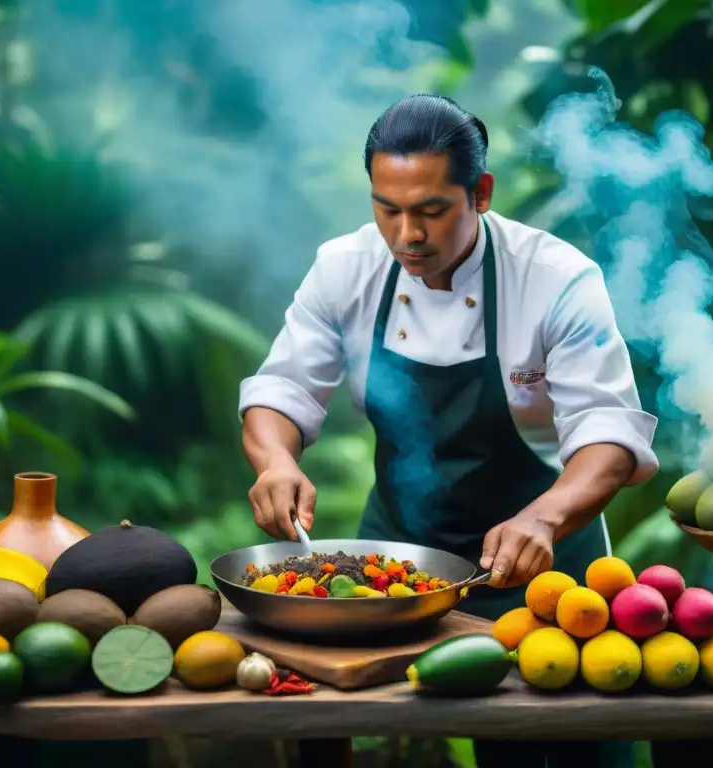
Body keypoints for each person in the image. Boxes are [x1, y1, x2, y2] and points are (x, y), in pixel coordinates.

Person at [238, 94, 659, 768]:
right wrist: (275, 462)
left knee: (582, 746)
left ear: (481, 192)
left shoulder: (557, 279)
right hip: (398, 575)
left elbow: (608, 433)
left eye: (432, 210)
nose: (407, 235)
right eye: (388, 208)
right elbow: (281, 391)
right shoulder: (344, 267)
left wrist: (545, 520)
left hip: (550, 567)